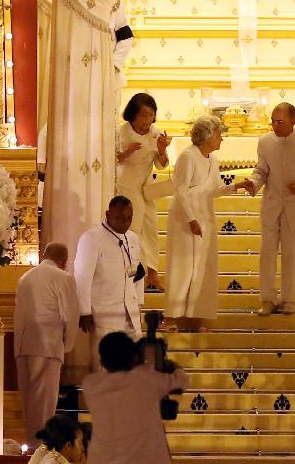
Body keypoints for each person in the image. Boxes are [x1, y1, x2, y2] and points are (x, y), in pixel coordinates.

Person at [241, 103, 295, 315]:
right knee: (267, 253)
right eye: (272, 121)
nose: (275, 125)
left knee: (293, 254)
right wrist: (253, 182)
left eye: (279, 122)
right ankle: (267, 299)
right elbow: (261, 170)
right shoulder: (265, 142)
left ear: (293, 121)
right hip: (271, 204)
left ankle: (289, 300)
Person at [165, 115, 249, 332]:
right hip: (185, 218)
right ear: (208, 135)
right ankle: (172, 319)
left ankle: (194, 317)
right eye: (219, 134)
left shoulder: (211, 159)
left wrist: (236, 186)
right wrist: (191, 219)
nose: (222, 138)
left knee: (201, 269)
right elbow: (180, 190)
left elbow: (215, 189)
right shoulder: (187, 157)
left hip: (204, 216)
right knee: (183, 267)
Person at [82, 332, 188, 464]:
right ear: (135, 358)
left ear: (102, 362)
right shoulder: (145, 379)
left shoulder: (90, 385)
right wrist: (169, 364)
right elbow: (182, 380)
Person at [14, 242, 80, 447]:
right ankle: (41, 448)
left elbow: (18, 315)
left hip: (24, 345)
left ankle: (32, 444)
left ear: (44, 255)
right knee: (45, 402)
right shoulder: (64, 277)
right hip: (48, 344)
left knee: (29, 400)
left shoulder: (25, 278)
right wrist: (67, 346)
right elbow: (70, 315)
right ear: (64, 261)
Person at [74, 196, 145, 371]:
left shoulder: (133, 238)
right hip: (104, 316)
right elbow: (82, 277)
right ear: (108, 214)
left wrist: (140, 304)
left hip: (131, 316)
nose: (125, 222)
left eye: (129, 217)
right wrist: (84, 311)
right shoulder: (92, 238)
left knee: (134, 369)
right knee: (105, 370)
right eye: (120, 217)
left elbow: (138, 274)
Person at [115, 92, 170, 290]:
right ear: (133, 114)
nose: (148, 120)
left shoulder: (156, 133)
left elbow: (161, 165)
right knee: (134, 228)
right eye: (144, 115)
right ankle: (134, 271)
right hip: (125, 185)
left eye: (151, 115)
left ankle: (153, 272)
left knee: (151, 227)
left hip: (145, 187)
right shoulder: (121, 132)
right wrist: (126, 152)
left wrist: (162, 151)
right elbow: (110, 160)